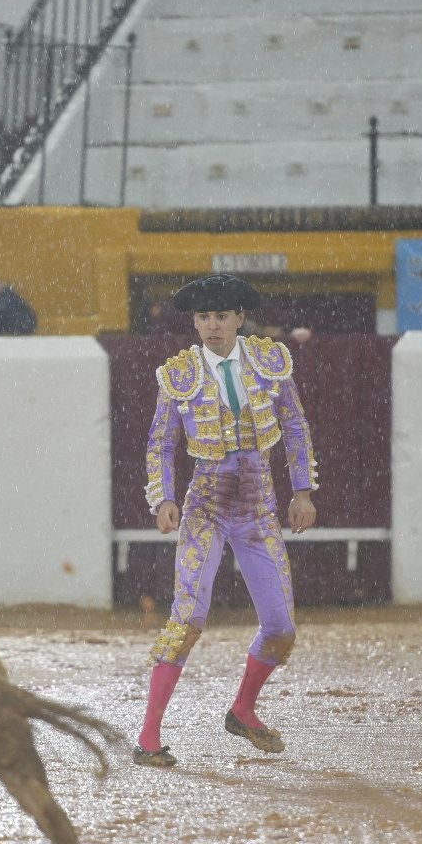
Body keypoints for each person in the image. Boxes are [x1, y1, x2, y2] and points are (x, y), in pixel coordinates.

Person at [134, 274, 318, 768]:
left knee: (280, 627)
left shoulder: (270, 362)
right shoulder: (178, 374)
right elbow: (161, 442)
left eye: (220, 316)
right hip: (207, 508)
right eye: (202, 318)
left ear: (239, 318)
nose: (211, 327)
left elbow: (296, 425)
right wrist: (164, 499)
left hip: (257, 508)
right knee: (187, 617)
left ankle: (242, 709)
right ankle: (149, 736)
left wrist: (302, 491)